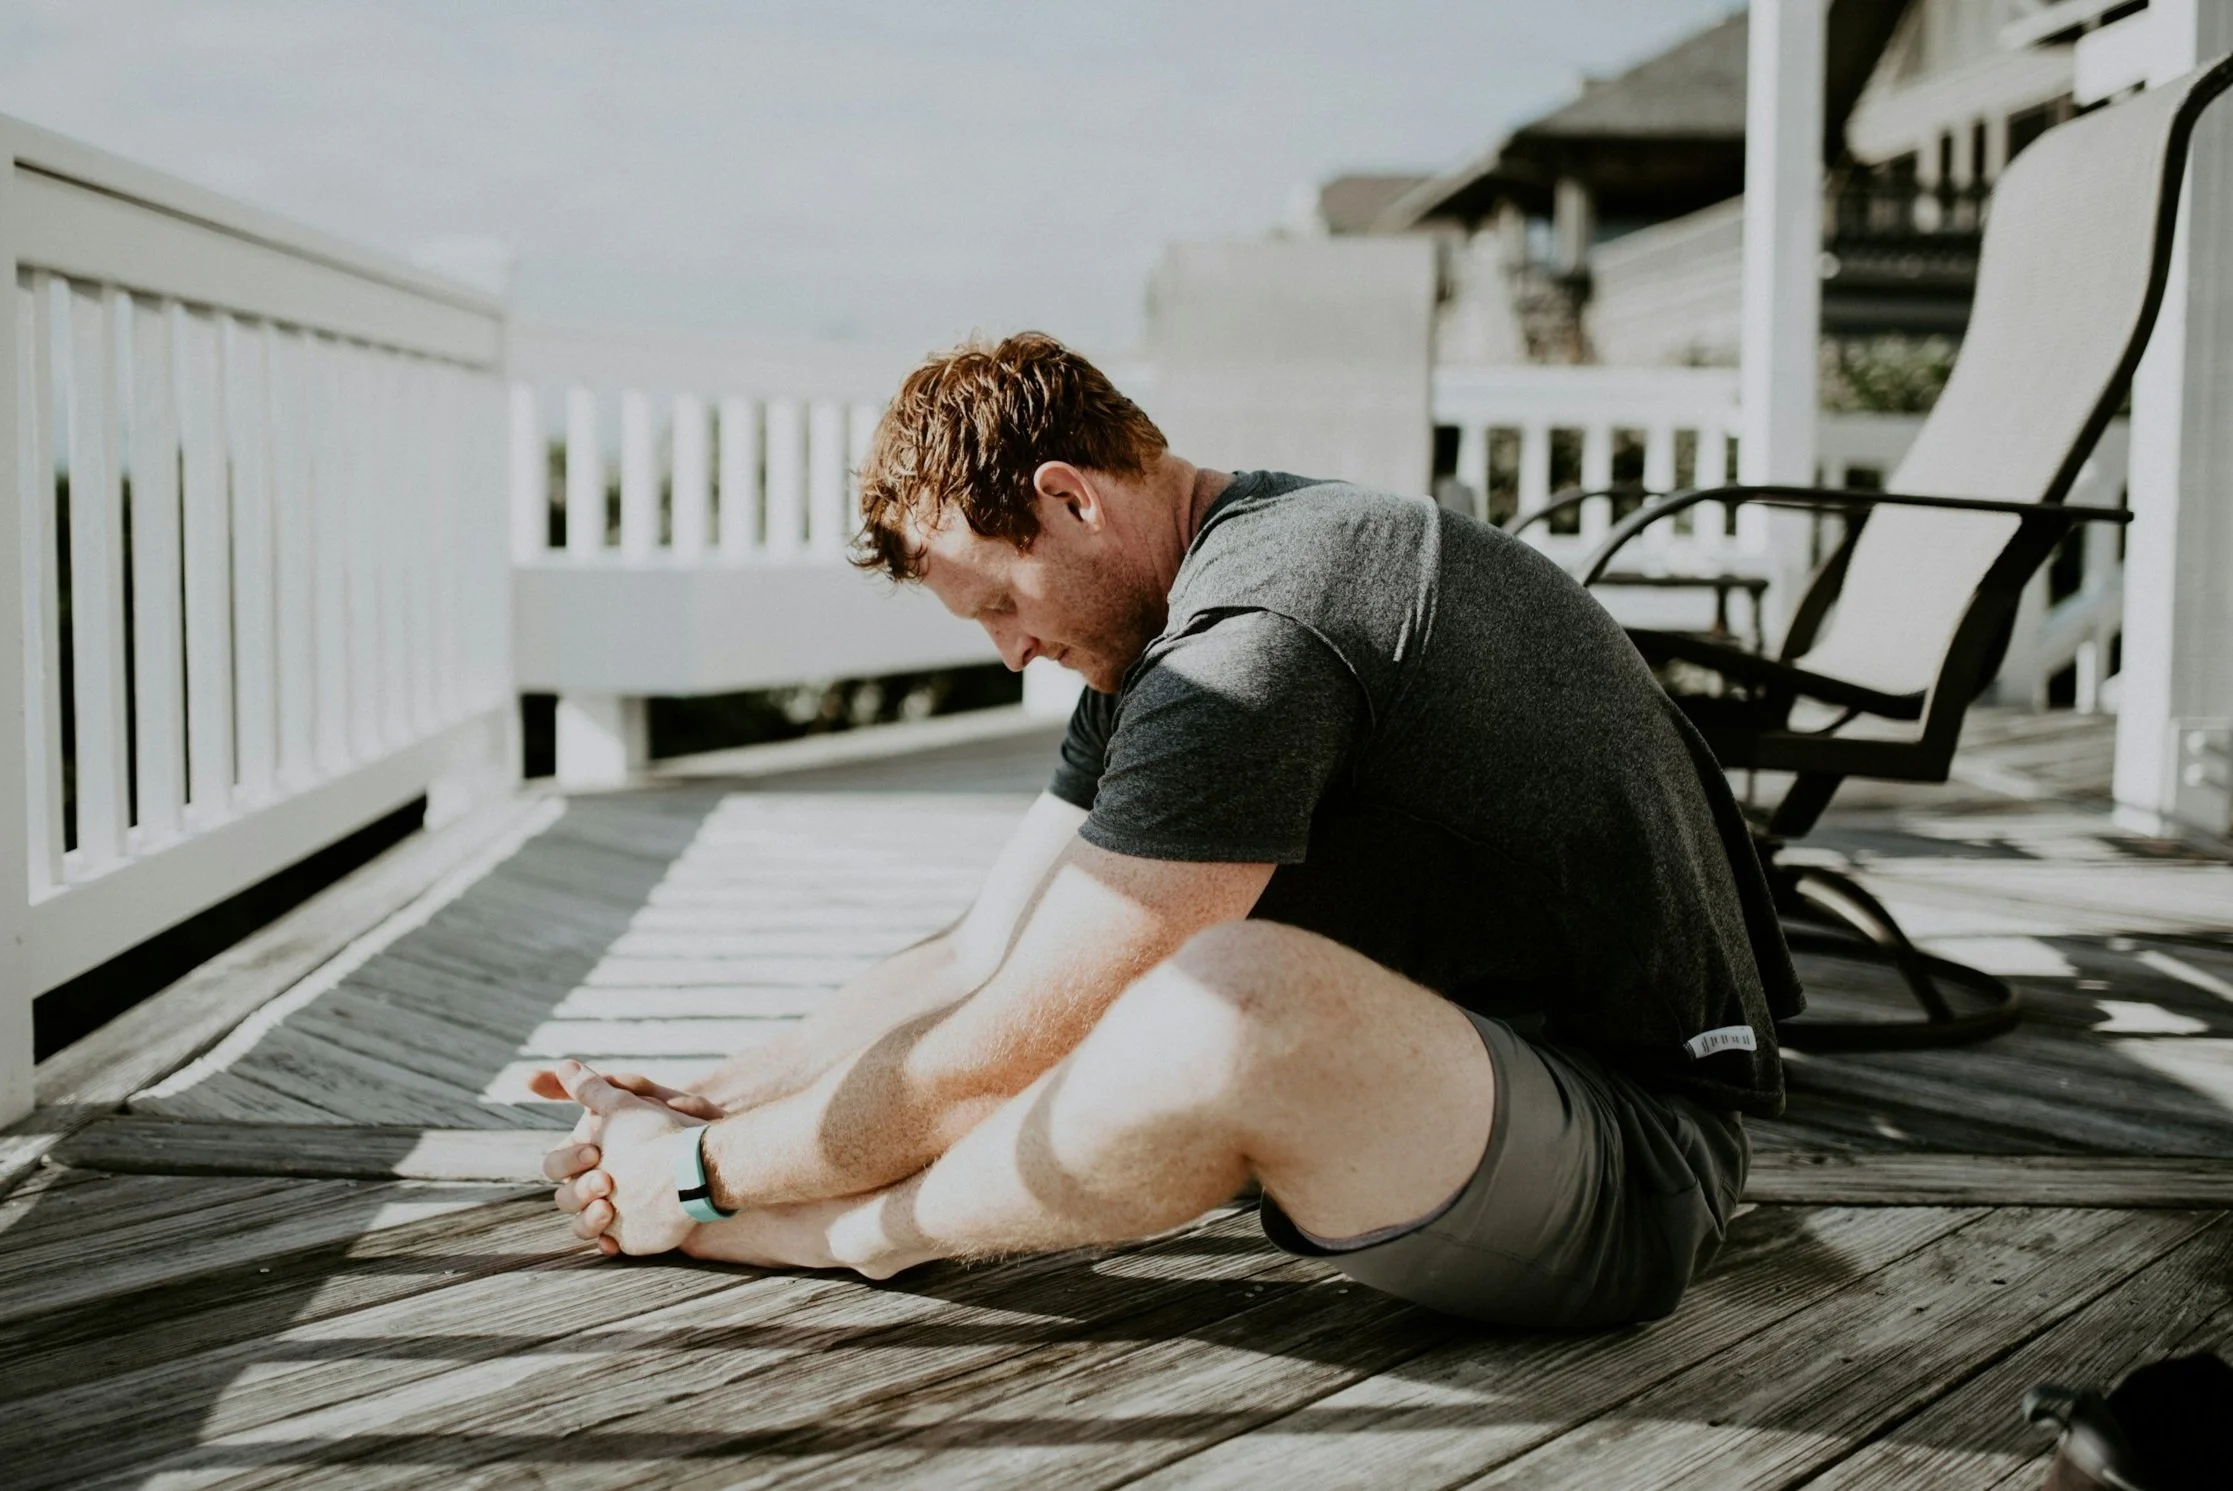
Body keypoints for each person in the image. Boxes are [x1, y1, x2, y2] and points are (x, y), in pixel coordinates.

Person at [534, 331, 1803, 1329]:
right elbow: (981, 952)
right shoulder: (1168, 623)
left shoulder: (1256, 638)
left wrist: (704, 1179)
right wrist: (700, 1100)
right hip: (1454, 1096)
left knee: (1223, 1002)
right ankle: (799, 1207)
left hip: (1630, 1163)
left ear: (1067, 499)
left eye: (999, 603)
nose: (1011, 651)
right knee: (1121, 982)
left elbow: (1007, 1042)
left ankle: (851, 1239)